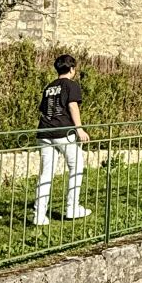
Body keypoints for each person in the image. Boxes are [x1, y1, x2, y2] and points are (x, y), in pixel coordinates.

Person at [34, 53, 90, 224]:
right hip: (63, 132)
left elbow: (44, 109)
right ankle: (72, 207)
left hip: (44, 132)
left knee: (46, 174)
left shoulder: (49, 87)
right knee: (77, 166)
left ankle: (39, 214)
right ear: (72, 69)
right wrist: (79, 129)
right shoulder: (71, 86)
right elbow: (72, 105)